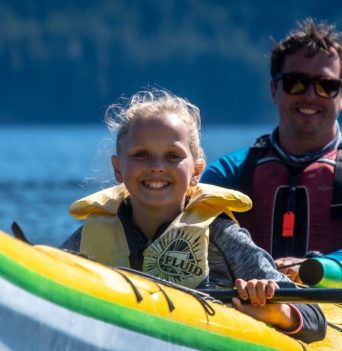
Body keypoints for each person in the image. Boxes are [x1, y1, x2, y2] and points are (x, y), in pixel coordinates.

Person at [61, 88, 326, 342]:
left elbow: (316, 319)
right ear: (118, 169)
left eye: (172, 156)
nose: (157, 167)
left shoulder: (222, 237)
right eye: (141, 155)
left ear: (196, 171)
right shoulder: (89, 237)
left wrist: (279, 312)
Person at [201, 18, 342, 282]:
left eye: (326, 85)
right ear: (273, 89)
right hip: (248, 309)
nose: (310, 95)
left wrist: (315, 267)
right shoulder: (229, 173)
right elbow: (193, 235)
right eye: (295, 82)